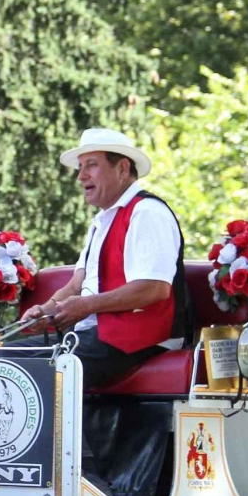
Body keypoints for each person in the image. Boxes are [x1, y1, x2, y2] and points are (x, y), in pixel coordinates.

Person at [21, 128, 190, 387]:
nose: (81, 176)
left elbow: (154, 290)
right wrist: (45, 312)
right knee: (8, 356)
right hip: (98, 334)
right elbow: (77, 284)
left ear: (122, 168)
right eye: (80, 167)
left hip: (143, 335)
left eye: (91, 165)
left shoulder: (147, 212)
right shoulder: (101, 221)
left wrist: (86, 306)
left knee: (35, 369)